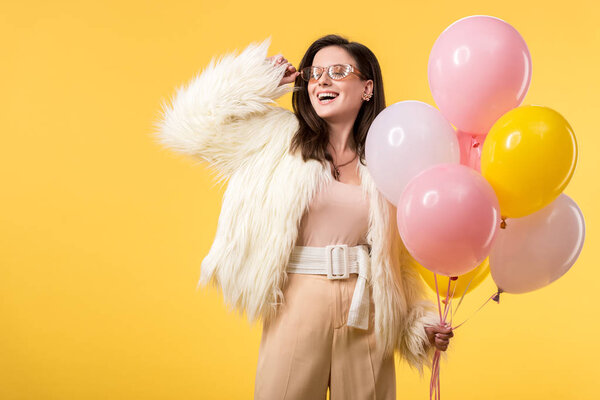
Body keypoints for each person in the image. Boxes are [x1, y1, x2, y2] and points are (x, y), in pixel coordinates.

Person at [154, 34, 453, 400]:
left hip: (368, 309)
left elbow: (397, 260)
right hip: (297, 301)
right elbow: (189, 128)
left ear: (367, 88)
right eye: (314, 73)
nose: (322, 81)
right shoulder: (279, 139)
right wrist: (254, 79)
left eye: (338, 71)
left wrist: (415, 324)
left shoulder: (387, 160)